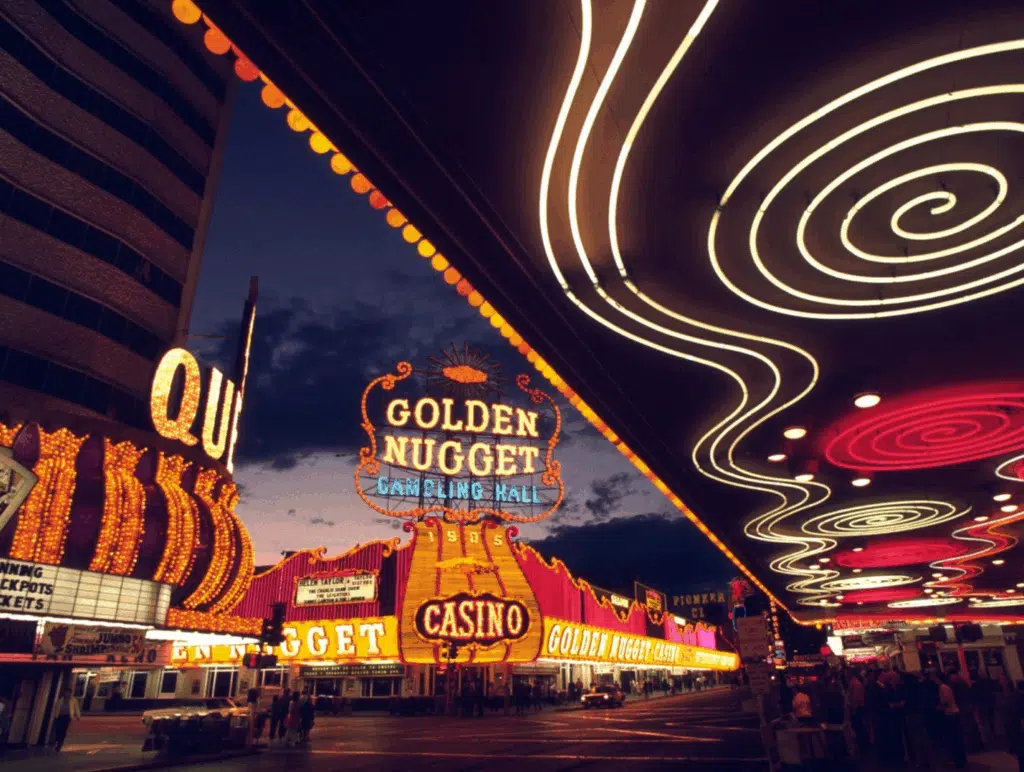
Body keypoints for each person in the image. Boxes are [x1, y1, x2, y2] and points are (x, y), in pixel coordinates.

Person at [939, 673, 967, 769]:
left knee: (954, 738)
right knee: (956, 737)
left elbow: (946, 702)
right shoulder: (947, 687)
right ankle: (960, 759)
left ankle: (959, 760)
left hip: (951, 714)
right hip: (953, 713)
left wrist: (938, 707)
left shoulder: (943, 688)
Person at [51, 687, 80, 752]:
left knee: (63, 730)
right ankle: (57, 740)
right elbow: (56, 708)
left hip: (67, 717)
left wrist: (78, 716)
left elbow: (76, 708)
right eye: (65, 692)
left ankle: (60, 743)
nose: (66, 694)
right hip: (59, 716)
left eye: (68, 693)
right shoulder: (60, 700)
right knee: (58, 729)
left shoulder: (73, 700)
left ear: (70, 693)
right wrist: (55, 716)